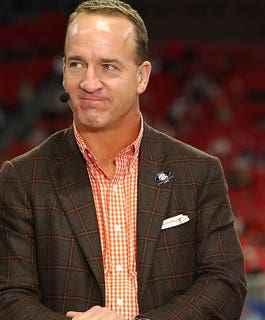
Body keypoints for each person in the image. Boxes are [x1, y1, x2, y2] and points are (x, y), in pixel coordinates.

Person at [0, 1, 247, 319]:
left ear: (142, 77)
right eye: (77, 64)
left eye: (108, 66)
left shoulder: (199, 172)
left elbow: (225, 284)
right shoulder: (21, 178)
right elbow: (9, 296)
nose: (89, 83)